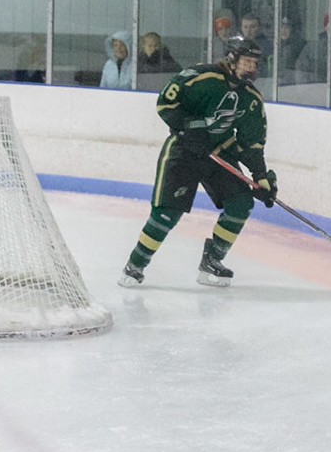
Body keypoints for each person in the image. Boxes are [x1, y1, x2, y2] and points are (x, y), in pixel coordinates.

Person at [118, 36, 275, 288]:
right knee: (168, 212)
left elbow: (252, 143)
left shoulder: (251, 98)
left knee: (241, 202)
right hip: (184, 151)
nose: (251, 67)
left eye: (254, 63)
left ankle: (212, 261)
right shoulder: (202, 77)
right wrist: (190, 127)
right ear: (232, 59)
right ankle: (135, 264)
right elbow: (166, 103)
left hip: (219, 154)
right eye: (246, 61)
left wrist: (261, 177)